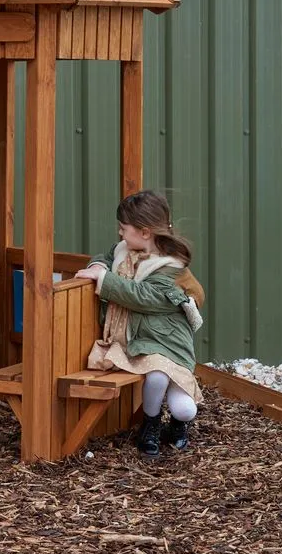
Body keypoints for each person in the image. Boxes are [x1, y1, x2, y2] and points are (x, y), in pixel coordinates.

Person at [74, 190, 205, 458]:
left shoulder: (170, 268)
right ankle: (151, 425)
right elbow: (105, 256)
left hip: (168, 340)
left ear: (145, 232)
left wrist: (104, 280)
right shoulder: (123, 249)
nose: (120, 234)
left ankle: (179, 425)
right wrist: (99, 265)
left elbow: (143, 297)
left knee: (184, 408)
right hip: (141, 339)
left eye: (124, 228)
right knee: (156, 378)